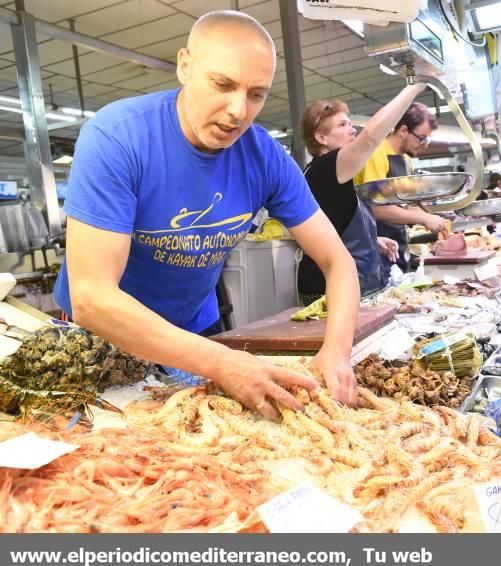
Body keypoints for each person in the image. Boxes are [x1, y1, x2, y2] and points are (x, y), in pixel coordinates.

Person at [52, 11, 362, 418]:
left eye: (256, 94)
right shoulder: (117, 137)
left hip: (195, 328)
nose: (238, 110)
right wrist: (220, 362)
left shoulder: (265, 156)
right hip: (102, 337)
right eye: (223, 84)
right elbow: (91, 296)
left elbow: (336, 261)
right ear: (184, 65)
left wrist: (336, 351)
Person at [296, 82, 427, 305]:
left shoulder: (329, 171)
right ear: (321, 138)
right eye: (342, 125)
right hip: (327, 285)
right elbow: (370, 136)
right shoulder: (327, 167)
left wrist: (371, 240)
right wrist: (412, 88)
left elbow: (333, 223)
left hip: (344, 280)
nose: (352, 129)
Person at [353, 103, 448, 277]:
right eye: (422, 138)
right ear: (403, 130)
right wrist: (423, 217)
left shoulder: (406, 160)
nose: (424, 145)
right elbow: (376, 208)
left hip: (398, 243)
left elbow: (407, 204)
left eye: (427, 139)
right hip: (375, 246)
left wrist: (434, 218)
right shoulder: (376, 154)